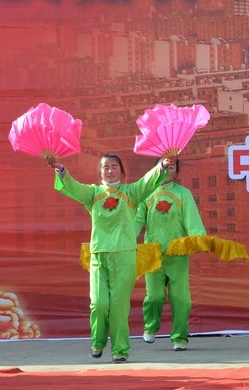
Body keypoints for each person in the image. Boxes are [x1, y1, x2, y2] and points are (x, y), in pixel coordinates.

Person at [49, 153, 172, 363]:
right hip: (99, 255)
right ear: (99, 172)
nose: (110, 170)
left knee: (118, 305)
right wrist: (61, 169)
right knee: (98, 303)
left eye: (114, 166)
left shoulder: (131, 192)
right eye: (105, 167)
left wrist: (162, 166)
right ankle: (97, 342)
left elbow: (147, 181)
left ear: (121, 171)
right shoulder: (93, 193)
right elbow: (73, 187)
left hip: (124, 255)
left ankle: (120, 350)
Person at [135, 158, 206, 351]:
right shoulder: (146, 193)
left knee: (180, 298)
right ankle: (151, 326)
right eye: (164, 167)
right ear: (157, 169)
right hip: (152, 253)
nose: (167, 171)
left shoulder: (183, 194)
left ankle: (180, 337)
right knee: (154, 296)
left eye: (171, 167)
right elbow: (136, 221)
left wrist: (198, 238)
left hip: (177, 253)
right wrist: (126, 239)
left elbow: (192, 219)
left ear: (177, 171)